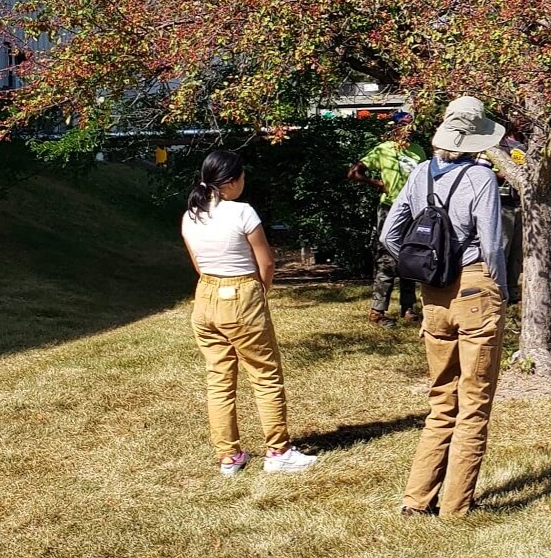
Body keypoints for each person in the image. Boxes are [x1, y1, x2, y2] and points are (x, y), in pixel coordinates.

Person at [381, 96, 511, 518]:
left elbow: (389, 234)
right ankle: (456, 505)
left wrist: (421, 262)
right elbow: (491, 243)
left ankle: (416, 499)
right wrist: (501, 290)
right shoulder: (481, 178)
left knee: (442, 398)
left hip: (432, 293)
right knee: (474, 400)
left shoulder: (420, 174)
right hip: (475, 285)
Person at [180, 149, 319, 477]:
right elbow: (266, 262)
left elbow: (199, 266)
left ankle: (229, 456)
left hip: (206, 297)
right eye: (241, 177)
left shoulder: (191, 215)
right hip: (241, 292)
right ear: (230, 182)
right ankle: (278, 450)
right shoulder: (242, 212)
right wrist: (259, 292)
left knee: (219, 379)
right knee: (265, 374)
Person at [349, 113, 428, 325]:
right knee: (387, 259)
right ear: (394, 128)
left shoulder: (418, 151)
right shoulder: (383, 150)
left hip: (413, 211)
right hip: (390, 208)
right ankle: (378, 312)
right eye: (404, 125)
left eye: (411, 125)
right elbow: (354, 173)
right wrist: (378, 184)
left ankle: (408, 308)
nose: (408, 129)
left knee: (411, 257)